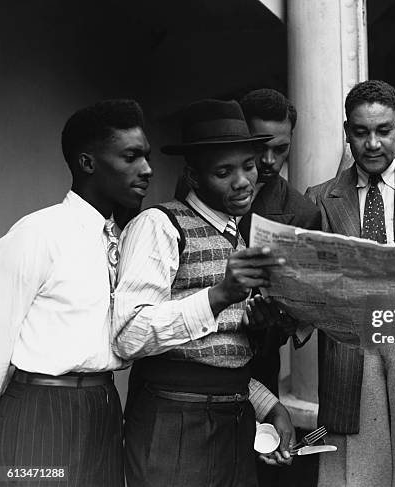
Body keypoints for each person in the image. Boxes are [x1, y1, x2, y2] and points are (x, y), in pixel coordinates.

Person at [113, 99, 295, 487]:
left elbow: (218, 357)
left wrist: (268, 405)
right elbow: (128, 336)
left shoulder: (238, 233)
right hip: (174, 422)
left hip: (235, 422)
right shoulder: (160, 226)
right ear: (194, 177)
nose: (243, 181)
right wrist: (219, 295)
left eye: (247, 166)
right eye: (223, 172)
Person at [0, 99, 152, 487]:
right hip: (40, 413)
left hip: (102, 407)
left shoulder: (126, 240)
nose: (147, 169)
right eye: (131, 157)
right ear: (88, 163)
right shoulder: (37, 234)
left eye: (145, 157)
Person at [305, 80, 395, 487]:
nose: (372, 144)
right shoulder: (319, 198)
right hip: (349, 355)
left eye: (383, 131)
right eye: (361, 132)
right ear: (346, 132)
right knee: (352, 472)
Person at [238, 88, 321, 396]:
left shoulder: (302, 213)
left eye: (282, 149)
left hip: (257, 364)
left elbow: (300, 310)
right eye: (259, 147)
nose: (270, 160)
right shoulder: (198, 184)